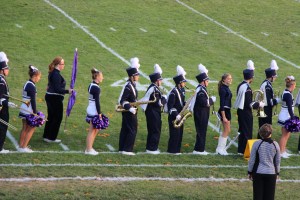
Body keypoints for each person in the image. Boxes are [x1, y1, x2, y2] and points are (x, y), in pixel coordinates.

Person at [234, 60, 263, 155]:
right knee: (247, 131)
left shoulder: (240, 85)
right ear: (251, 78)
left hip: (240, 111)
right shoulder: (247, 88)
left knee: (242, 130)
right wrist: (259, 104)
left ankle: (241, 150)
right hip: (246, 112)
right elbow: (249, 104)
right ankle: (245, 151)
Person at [43, 56, 72, 143]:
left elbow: (51, 85)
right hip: (54, 98)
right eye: (63, 64)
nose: (64, 66)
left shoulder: (53, 73)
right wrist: (68, 91)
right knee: (57, 117)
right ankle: (51, 137)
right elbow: (57, 89)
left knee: (51, 117)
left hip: (51, 97)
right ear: (58, 65)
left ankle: (46, 135)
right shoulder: (56, 74)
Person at [248, 123, 281, 200]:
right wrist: (277, 172)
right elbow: (278, 161)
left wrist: (249, 171)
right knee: (269, 197)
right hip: (271, 173)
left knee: (257, 196)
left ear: (260, 133)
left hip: (258, 172)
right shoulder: (275, 144)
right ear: (271, 133)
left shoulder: (256, 143)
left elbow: (252, 159)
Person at [190, 64, 216, 155]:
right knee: (201, 131)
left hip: (202, 113)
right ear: (203, 81)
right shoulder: (201, 90)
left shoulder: (201, 89)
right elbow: (205, 103)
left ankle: (200, 149)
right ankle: (199, 150)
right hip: (201, 113)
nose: (208, 82)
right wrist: (212, 100)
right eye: (207, 80)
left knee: (202, 131)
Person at [141, 64, 167, 154]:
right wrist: (164, 98)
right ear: (156, 81)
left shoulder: (154, 88)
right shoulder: (154, 90)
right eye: (160, 80)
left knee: (153, 130)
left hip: (152, 112)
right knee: (155, 129)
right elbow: (159, 103)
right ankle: (152, 148)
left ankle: (151, 147)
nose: (161, 81)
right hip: (153, 112)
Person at [118, 57, 140, 156]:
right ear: (132, 76)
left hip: (130, 110)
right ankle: (127, 150)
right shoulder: (128, 86)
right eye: (137, 75)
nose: (138, 77)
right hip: (129, 111)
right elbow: (122, 100)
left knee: (126, 129)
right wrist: (130, 108)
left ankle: (122, 148)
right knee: (132, 129)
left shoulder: (132, 84)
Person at [18, 65, 42, 153]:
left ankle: (20, 146)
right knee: (31, 128)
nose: (39, 78)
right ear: (35, 76)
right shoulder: (31, 86)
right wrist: (35, 113)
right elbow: (33, 101)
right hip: (28, 109)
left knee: (24, 128)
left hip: (24, 108)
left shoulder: (27, 83)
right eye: (39, 77)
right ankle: (24, 147)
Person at [167, 65, 187, 155]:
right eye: (183, 82)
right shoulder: (173, 92)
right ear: (179, 82)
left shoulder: (181, 91)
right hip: (174, 116)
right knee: (175, 134)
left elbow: (181, 102)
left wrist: (186, 104)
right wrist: (176, 115)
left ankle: (177, 150)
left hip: (180, 115)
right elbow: (170, 106)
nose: (185, 84)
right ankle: (172, 150)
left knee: (180, 133)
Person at [257, 60, 280, 139]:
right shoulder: (267, 86)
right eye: (274, 77)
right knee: (265, 129)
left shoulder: (266, 83)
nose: (275, 78)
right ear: (271, 77)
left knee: (263, 128)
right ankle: (263, 144)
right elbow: (269, 101)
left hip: (263, 109)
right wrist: (277, 100)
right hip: (265, 109)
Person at [85, 68, 104, 155]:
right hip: (94, 110)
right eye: (101, 76)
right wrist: (99, 113)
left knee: (95, 130)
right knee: (92, 130)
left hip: (91, 107)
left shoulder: (91, 85)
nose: (102, 78)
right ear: (97, 77)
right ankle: (88, 149)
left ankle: (90, 148)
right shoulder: (96, 88)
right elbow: (97, 102)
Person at [0, 52, 16, 153]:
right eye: (6, 69)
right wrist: (7, 103)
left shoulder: (1, 79)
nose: (8, 70)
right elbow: (0, 98)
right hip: (2, 108)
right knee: (2, 128)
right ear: (2, 70)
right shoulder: (1, 81)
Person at [278, 76, 296, 158]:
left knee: (287, 134)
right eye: (295, 85)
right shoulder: (288, 95)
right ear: (292, 85)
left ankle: (283, 150)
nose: (295, 87)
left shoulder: (286, 92)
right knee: (284, 135)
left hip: (285, 115)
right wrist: (293, 118)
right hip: (285, 117)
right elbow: (289, 108)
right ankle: (281, 152)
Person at [216, 73, 232, 155]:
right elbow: (221, 104)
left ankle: (221, 148)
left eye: (231, 78)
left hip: (227, 110)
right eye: (228, 78)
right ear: (224, 80)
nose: (230, 80)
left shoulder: (226, 87)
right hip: (224, 111)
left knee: (227, 130)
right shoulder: (223, 89)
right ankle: (220, 148)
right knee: (226, 130)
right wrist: (224, 116)